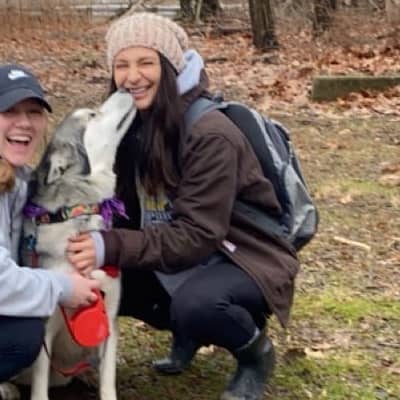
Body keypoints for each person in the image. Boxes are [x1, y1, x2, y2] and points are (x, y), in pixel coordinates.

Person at [67, 13, 299, 400]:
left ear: (171, 66)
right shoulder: (128, 124)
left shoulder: (211, 134)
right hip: (181, 252)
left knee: (198, 306)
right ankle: (179, 334)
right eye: (121, 65)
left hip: (241, 257)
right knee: (94, 277)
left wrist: (109, 244)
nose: (132, 76)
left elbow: (198, 234)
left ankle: (255, 354)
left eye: (146, 62)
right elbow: (122, 209)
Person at [0, 64, 101, 382]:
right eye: (9, 111)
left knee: (24, 324)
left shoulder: (22, 180)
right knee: (21, 337)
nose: (24, 123)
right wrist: (64, 287)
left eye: (34, 112)